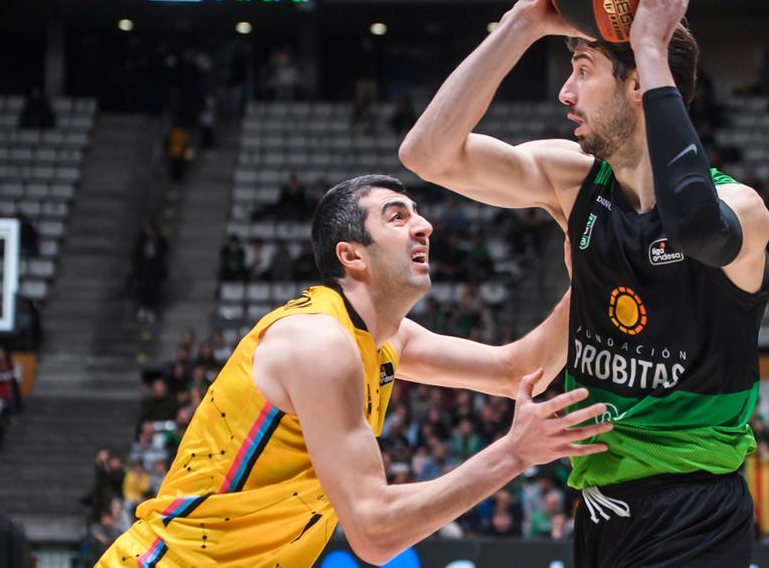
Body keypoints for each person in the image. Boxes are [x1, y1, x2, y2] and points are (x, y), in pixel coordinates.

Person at [401, 0, 769, 567]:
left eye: (583, 71)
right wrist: (522, 24)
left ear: (638, 84)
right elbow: (426, 154)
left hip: (694, 507)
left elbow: (692, 226)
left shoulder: (742, 211)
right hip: (599, 505)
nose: (565, 94)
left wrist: (652, 46)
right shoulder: (573, 181)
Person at [98, 175, 611, 566]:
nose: (424, 225)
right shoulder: (320, 342)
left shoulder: (385, 338)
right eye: (396, 216)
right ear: (351, 256)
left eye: (417, 214)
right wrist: (514, 453)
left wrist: (595, 274)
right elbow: (374, 532)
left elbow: (518, 369)